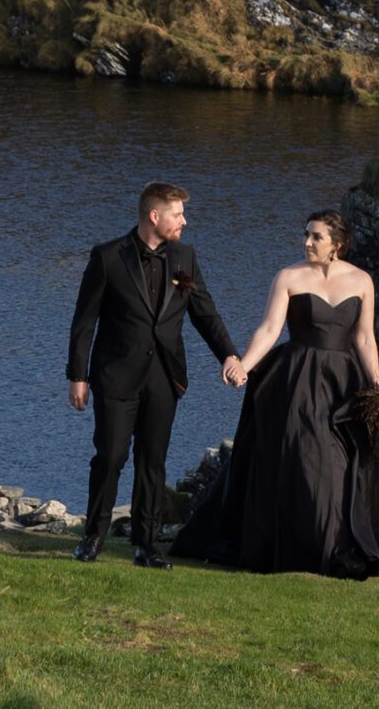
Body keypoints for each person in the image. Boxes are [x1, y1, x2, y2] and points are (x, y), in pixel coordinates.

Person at [171, 209, 379, 576]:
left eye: (316, 237)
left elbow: (364, 337)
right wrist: (244, 365)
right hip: (297, 378)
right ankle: (307, 547)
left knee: (341, 464)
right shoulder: (288, 276)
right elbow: (269, 329)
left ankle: (333, 547)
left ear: (338, 245)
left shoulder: (362, 281)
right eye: (306, 235)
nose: (307, 242)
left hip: (344, 382)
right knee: (307, 458)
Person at [65, 180, 244, 567]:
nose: (185, 221)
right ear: (154, 216)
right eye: (178, 214)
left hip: (165, 376)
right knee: (110, 457)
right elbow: (84, 322)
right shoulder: (108, 257)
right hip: (115, 374)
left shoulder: (185, 258)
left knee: (153, 460)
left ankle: (146, 546)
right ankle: (92, 537)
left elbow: (205, 314)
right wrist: (77, 376)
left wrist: (229, 355)